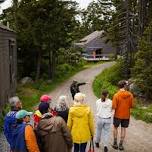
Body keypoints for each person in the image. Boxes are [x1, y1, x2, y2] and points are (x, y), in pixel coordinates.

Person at [112, 80, 134, 151]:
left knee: (115, 128)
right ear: (125, 86)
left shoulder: (116, 95)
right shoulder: (130, 95)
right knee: (123, 129)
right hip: (126, 115)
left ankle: (115, 143)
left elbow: (114, 106)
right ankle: (121, 145)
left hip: (118, 115)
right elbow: (131, 105)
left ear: (119, 86)